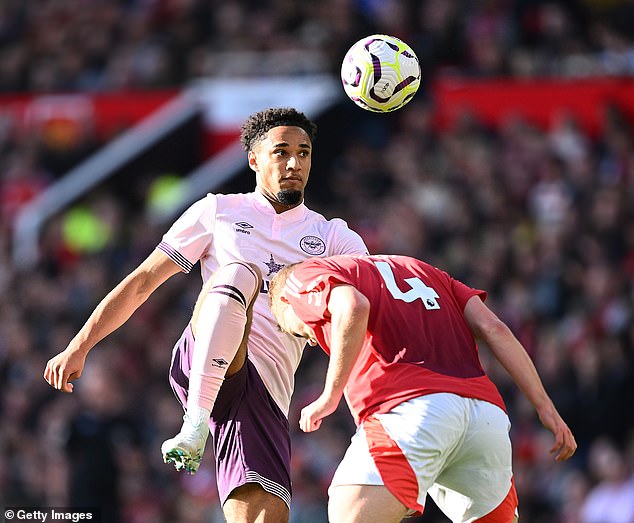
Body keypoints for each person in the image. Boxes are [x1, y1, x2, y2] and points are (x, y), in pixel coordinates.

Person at [44, 107, 369, 523]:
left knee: (261, 517)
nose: (294, 163)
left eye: (303, 153)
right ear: (253, 159)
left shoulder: (335, 237)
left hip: (265, 392)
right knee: (240, 272)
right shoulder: (218, 211)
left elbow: (366, 311)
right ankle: (194, 422)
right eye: (281, 151)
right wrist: (80, 344)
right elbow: (143, 281)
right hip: (202, 359)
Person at [268, 254, 577, 523]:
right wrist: (545, 408)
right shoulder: (425, 270)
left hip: (409, 410)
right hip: (487, 419)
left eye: (295, 330)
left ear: (283, 302)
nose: (310, 339)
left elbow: (352, 305)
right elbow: (494, 328)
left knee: (348, 512)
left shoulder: (299, 278)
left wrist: (329, 396)